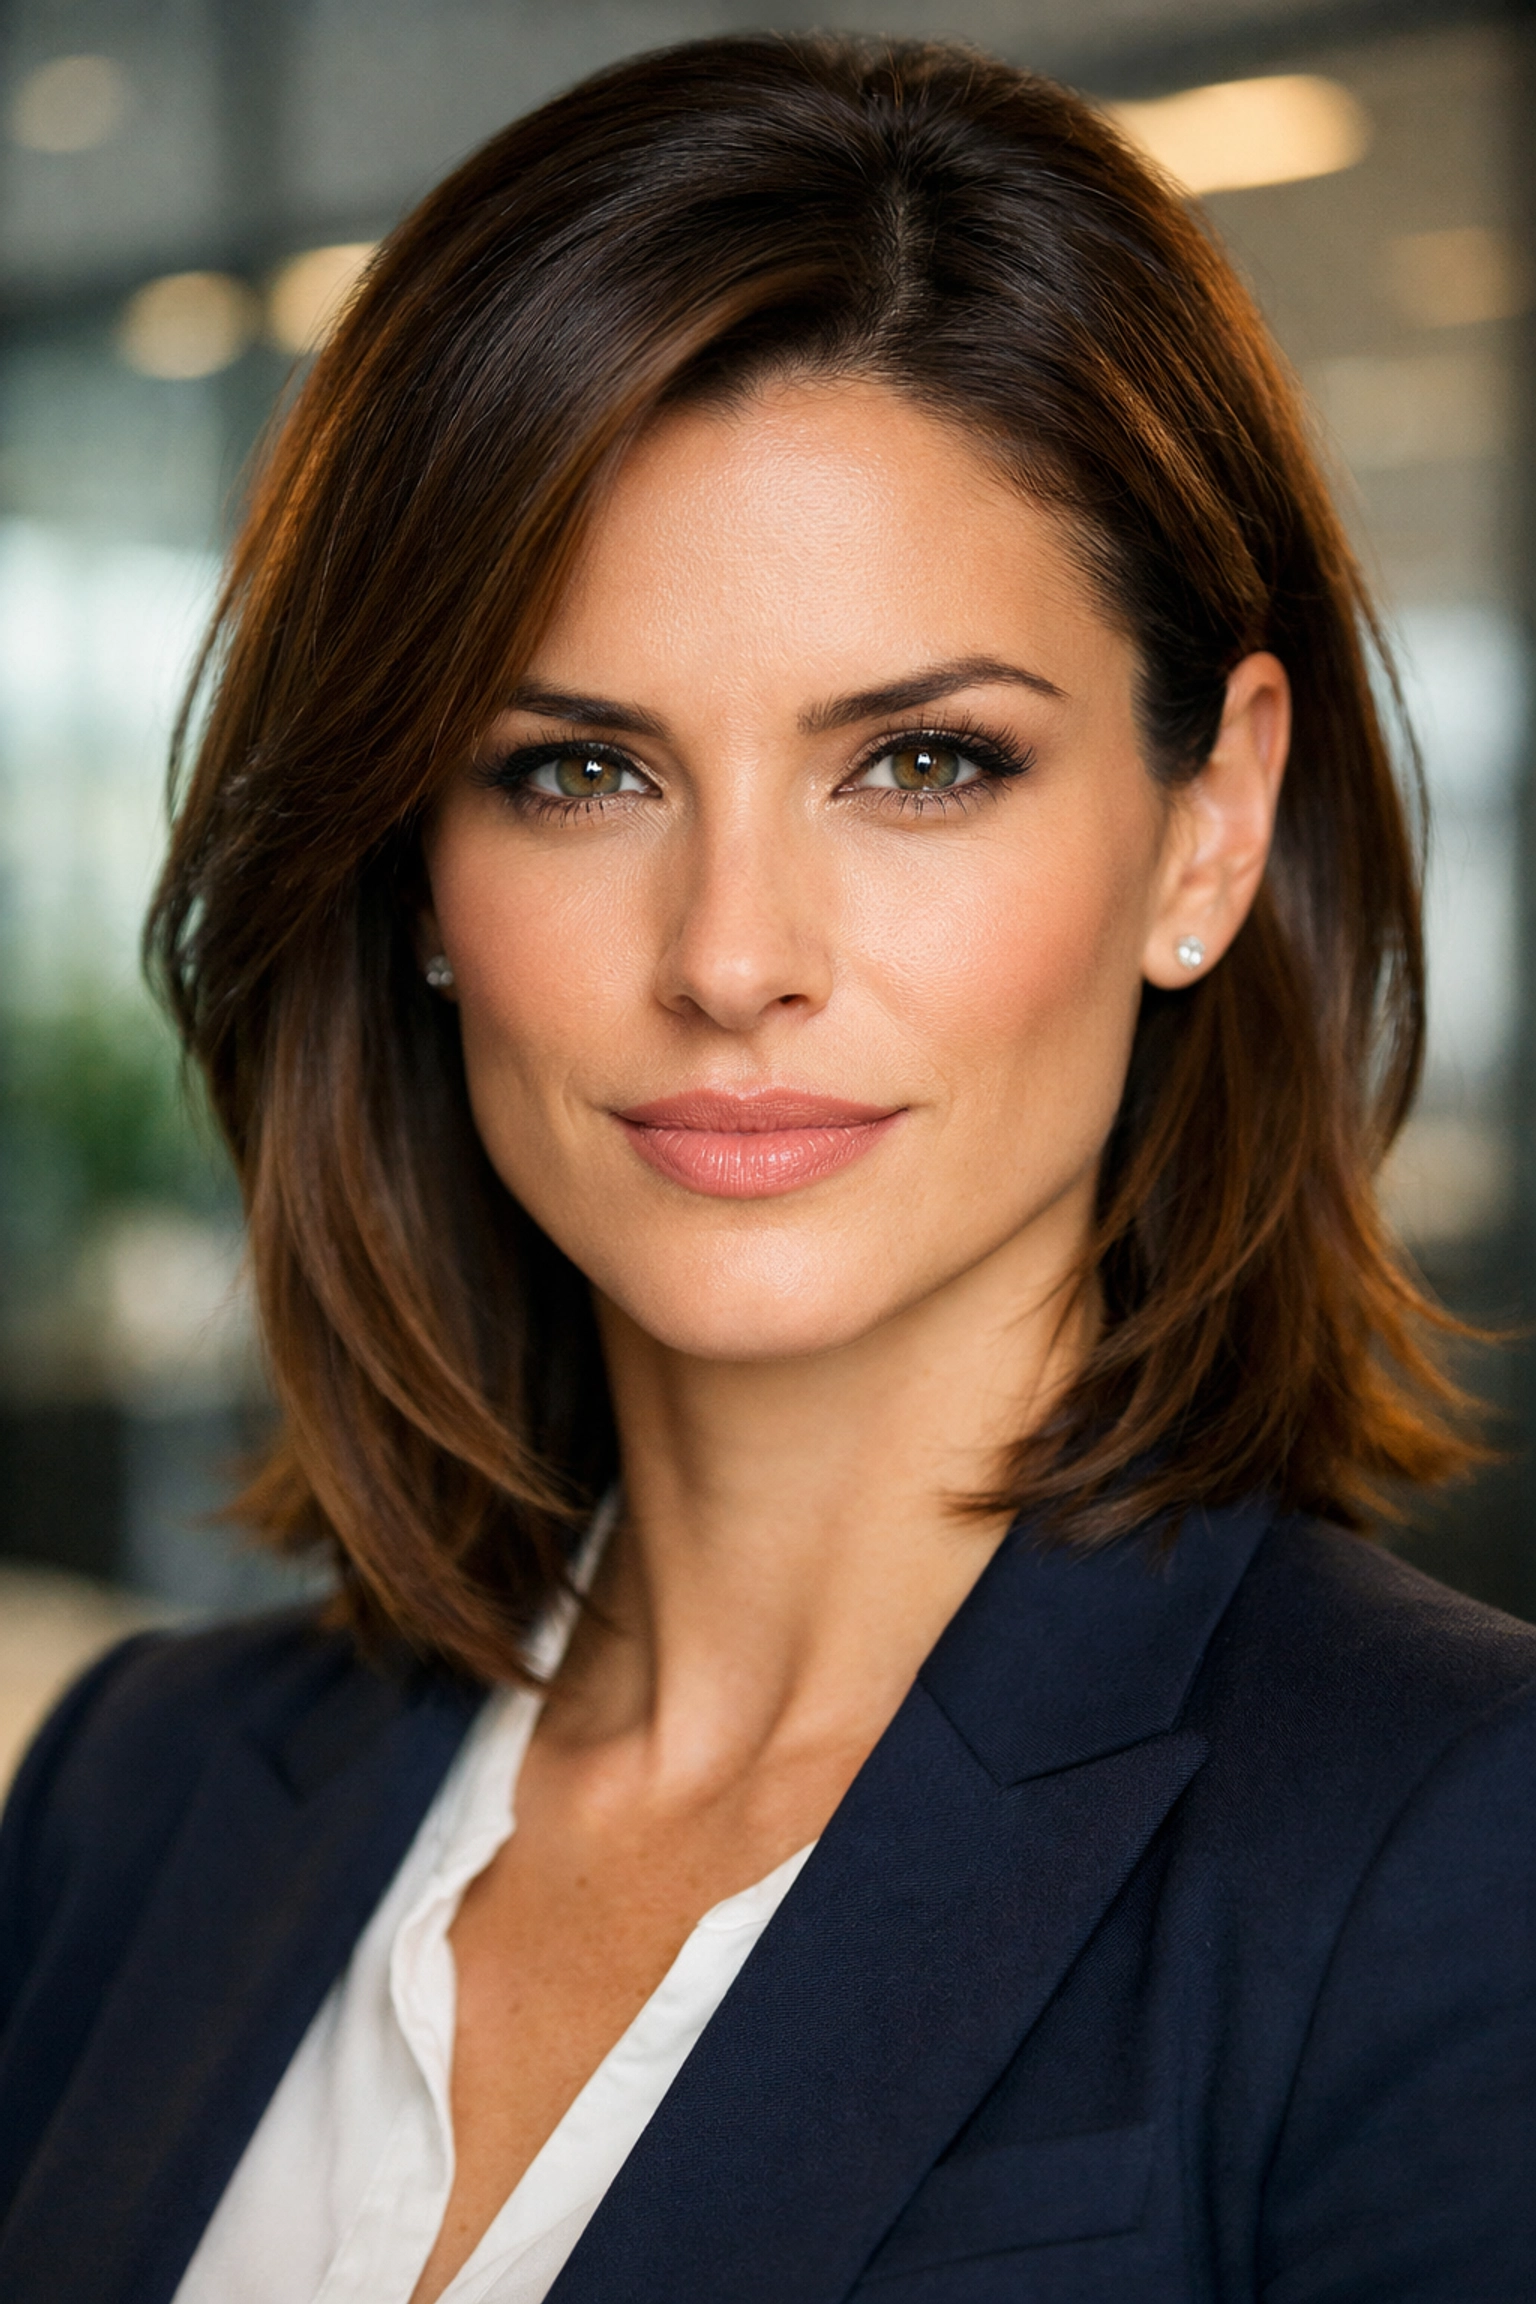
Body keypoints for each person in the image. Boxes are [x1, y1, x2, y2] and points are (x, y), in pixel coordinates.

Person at [1, 31, 1532, 2304]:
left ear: (1207, 825)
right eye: (574, 772)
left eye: (921, 761)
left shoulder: (1454, 1847)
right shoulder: (143, 1784)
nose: (732, 959)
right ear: (415, 866)